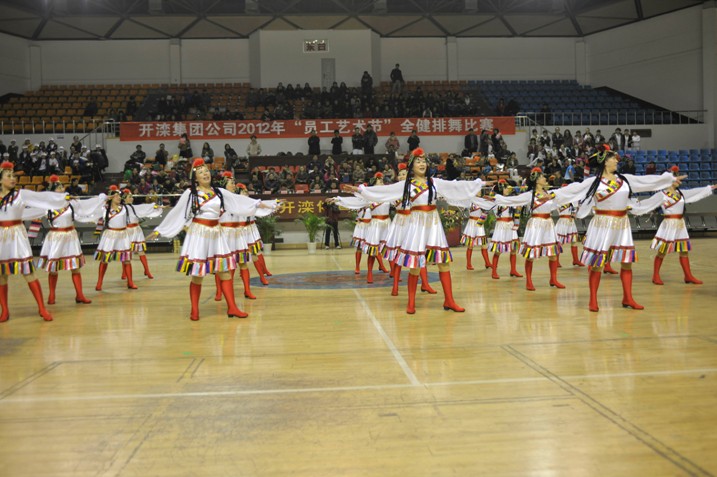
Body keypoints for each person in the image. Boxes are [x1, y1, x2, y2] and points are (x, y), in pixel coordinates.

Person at [346, 148, 487, 314]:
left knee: (443, 262)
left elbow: (455, 186)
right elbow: (384, 192)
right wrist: (360, 190)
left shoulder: (434, 182)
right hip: (417, 225)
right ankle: (411, 302)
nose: (422, 164)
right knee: (415, 264)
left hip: (433, 224)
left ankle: (449, 300)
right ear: (412, 166)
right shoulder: (406, 184)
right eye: (418, 161)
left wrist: (480, 184)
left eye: (423, 161)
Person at [552, 144, 683, 312]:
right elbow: (574, 189)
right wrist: (553, 194)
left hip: (622, 224)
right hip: (603, 224)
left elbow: (645, 181)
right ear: (605, 162)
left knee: (626, 262)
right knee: (598, 263)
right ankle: (593, 300)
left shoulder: (624, 179)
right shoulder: (595, 182)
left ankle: (628, 298)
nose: (616, 161)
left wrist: (669, 179)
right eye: (613, 158)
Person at [148, 159, 278, 320]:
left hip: (217, 234)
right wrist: (160, 230)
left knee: (225, 272)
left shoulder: (219, 192)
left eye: (206, 171)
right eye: (201, 172)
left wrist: (266, 205)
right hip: (199, 235)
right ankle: (194, 310)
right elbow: (178, 213)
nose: (205, 174)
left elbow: (240, 202)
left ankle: (232, 308)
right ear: (195, 177)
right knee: (198, 274)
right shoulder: (191, 193)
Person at [0, 162, 69, 322]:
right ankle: (5, 311)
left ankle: (42, 308)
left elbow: (42, 198)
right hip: (1, 237)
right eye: (9, 176)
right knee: (2, 274)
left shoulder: (21, 195)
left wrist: (61, 198)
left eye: (14, 176)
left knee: (28, 272)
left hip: (17, 236)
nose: (13, 178)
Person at [630, 166, 716, 285]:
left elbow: (695, 192)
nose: (679, 179)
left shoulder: (681, 193)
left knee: (684, 250)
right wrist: (631, 205)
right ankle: (655, 275)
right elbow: (647, 204)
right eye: (676, 177)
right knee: (662, 251)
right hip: (668, 225)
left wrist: (711, 187)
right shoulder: (662, 195)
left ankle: (688, 276)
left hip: (680, 225)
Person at [28, 175, 105, 305]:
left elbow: (85, 207)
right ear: (53, 191)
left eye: (62, 187)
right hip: (55, 237)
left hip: (70, 236)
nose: (62, 189)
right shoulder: (47, 206)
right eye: (59, 188)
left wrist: (100, 200)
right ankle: (52, 295)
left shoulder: (70, 203)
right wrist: (30, 238)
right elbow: (35, 218)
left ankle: (79, 295)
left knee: (75, 267)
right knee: (54, 268)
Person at [492, 168, 565, 291]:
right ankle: (529, 281)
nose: (545, 178)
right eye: (542, 177)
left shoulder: (549, 193)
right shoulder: (529, 195)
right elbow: (513, 200)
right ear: (536, 180)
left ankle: (553, 279)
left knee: (553, 254)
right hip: (536, 224)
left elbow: (559, 200)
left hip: (548, 224)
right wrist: (496, 198)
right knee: (531, 255)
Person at [213, 173, 258, 302]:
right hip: (224, 233)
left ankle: (247, 290)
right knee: (223, 265)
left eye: (233, 183)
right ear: (224, 185)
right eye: (231, 183)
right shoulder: (218, 200)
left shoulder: (238, 199)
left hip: (238, 233)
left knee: (243, 263)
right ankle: (219, 291)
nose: (234, 185)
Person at [94, 186, 139, 291]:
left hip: (123, 235)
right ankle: (99, 282)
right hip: (110, 235)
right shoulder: (104, 209)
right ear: (111, 197)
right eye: (116, 196)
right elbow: (100, 199)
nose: (119, 197)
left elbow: (139, 210)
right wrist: (106, 198)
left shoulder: (125, 208)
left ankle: (130, 282)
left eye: (119, 195)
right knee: (105, 259)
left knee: (126, 260)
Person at [122, 189, 164, 280]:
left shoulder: (133, 207)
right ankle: (124, 272)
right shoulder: (121, 208)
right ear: (124, 199)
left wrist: (155, 206)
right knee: (126, 252)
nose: (132, 198)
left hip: (137, 230)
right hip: (127, 231)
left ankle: (147, 270)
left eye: (132, 197)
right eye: (130, 197)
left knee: (141, 251)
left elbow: (144, 207)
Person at [488, 180, 523, 280]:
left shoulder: (511, 200)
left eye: (508, 187)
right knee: (498, 250)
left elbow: (518, 210)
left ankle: (513, 270)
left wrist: (519, 207)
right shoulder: (496, 200)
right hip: (501, 225)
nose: (508, 189)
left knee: (513, 249)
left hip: (510, 225)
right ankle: (494, 271)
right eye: (505, 187)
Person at [554, 186, 584, 267]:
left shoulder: (572, 200)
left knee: (574, 241)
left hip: (571, 222)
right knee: (559, 241)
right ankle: (556, 261)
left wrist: (574, 213)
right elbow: (559, 208)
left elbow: (576, 209)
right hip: (562, 221)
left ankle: (575, 260)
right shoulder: (559, 200)